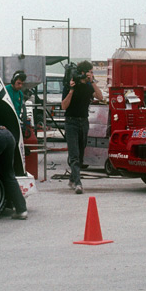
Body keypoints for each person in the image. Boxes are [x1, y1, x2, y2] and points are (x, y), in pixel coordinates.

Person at [61, 60, 103, 194]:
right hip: (71, 122)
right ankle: (78, 183)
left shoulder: (89, 86)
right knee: (74, 154)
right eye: (90, 72)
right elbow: (64, 106)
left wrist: (93, 82)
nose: (91, 74)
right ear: (83, 72)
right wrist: (71, 90)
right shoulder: (70, 85)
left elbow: (100, 97)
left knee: (80, 153)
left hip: (83, 121)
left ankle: (72, 179)